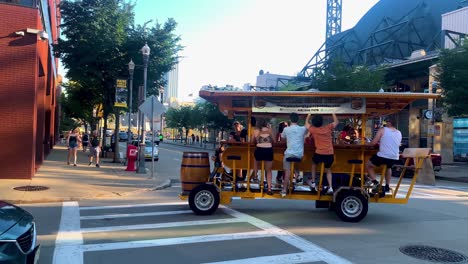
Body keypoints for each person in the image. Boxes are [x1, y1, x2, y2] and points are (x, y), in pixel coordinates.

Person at [306, 113, 339, 194]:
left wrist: (309, 115)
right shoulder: (328, 128)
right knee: (328, 170)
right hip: (329, 153)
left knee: (314, 164)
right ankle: (330, 187)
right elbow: (336, 122)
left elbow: (306, 124)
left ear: (313, 122)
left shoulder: (313, 129)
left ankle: (313, 182)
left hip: (319, 153)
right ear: (322, 122)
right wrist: (333, 113)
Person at [366, 117, 402, 193]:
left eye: (386, 122)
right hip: (394, 156)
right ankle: (387, 186)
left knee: (368, 165)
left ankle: (375, 182)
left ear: (389, 123)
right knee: (388, 168)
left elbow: (373, 142)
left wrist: (367, 144)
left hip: (383, 155)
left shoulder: (382, 130)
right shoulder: (399, 132)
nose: (385, 123)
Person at [280, 113, 308, 197]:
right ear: (298, 120)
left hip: (289, 154)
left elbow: (282, 138)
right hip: (299, 154)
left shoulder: (286, 129)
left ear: (290, 119)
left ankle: (284, 190)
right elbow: (308, 126)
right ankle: (297, 175)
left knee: (287, 171)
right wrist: (308, 116)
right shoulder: (302, 129)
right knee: (296, 162)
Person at [251, 120, 275, 195]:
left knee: (255, 159)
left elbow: (252, 141)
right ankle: (269, 188)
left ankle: (255, 175)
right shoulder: (270, 130)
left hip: (259, 151)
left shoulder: (255, 130)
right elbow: (274, 141)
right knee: (268, 170)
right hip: (268, 151)